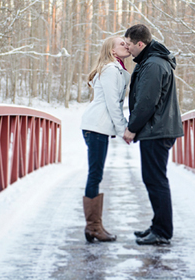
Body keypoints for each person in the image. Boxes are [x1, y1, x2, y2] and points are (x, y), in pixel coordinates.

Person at [122, 24, 184, 246]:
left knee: (155, 180)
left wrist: (132, 128)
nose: (126, 47)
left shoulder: (154, 64)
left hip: (156, 130)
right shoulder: (153, 61)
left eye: (129, 43)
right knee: (154, 179)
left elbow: (147, 102)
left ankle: (162, 232)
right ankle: (158, 225)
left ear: (140, 44)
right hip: (157, 129)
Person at [79, 36, 132, 242]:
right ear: (112, 51)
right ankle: (93, 226)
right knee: (95, 175)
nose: (126, 46)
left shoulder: (116, 69)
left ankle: (94, 225)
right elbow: (112, 103)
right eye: (122, 44)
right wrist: (123, 130)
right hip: (96, 126)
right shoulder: (111, 70)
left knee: (96, 174)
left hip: (96, 127)